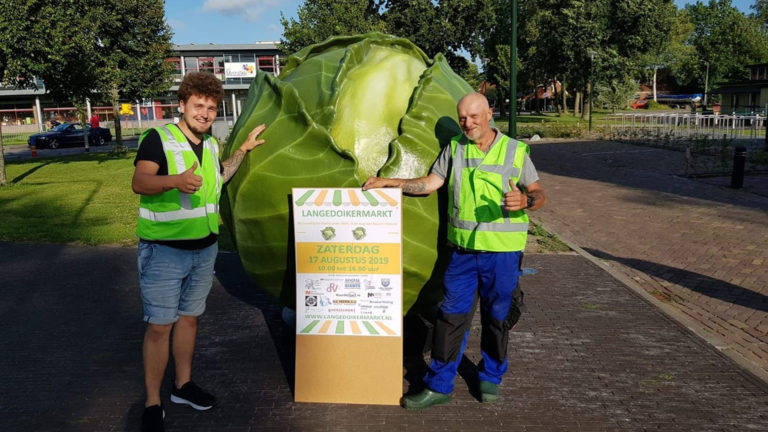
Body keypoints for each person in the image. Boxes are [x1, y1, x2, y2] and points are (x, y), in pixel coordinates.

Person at [363, 92, 546, 409]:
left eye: (474, 117)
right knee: (449, 318)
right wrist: (388, 182)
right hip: (462, 253)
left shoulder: (515, 151)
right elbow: (430, 183)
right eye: (462, 118)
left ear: (489, 113)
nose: (468, 123)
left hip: (502, 253)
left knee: (497, 318)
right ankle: (439, 385)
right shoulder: (454, 148)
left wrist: (526, 201)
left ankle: (490, 377)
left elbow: (539, 194)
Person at [132, 71, 266, 432]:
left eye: (211, 108)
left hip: (205, 250)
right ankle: (152, 401)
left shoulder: (209, 146)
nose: (205, 113)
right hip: (164, 251)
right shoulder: (158, 139)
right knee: (160, 326)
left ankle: (182, 386)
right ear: (182, 105)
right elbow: (140, 182)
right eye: (198, 105)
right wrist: (174, 181)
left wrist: (243, 150)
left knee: (189, 320)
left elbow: (219, 177)